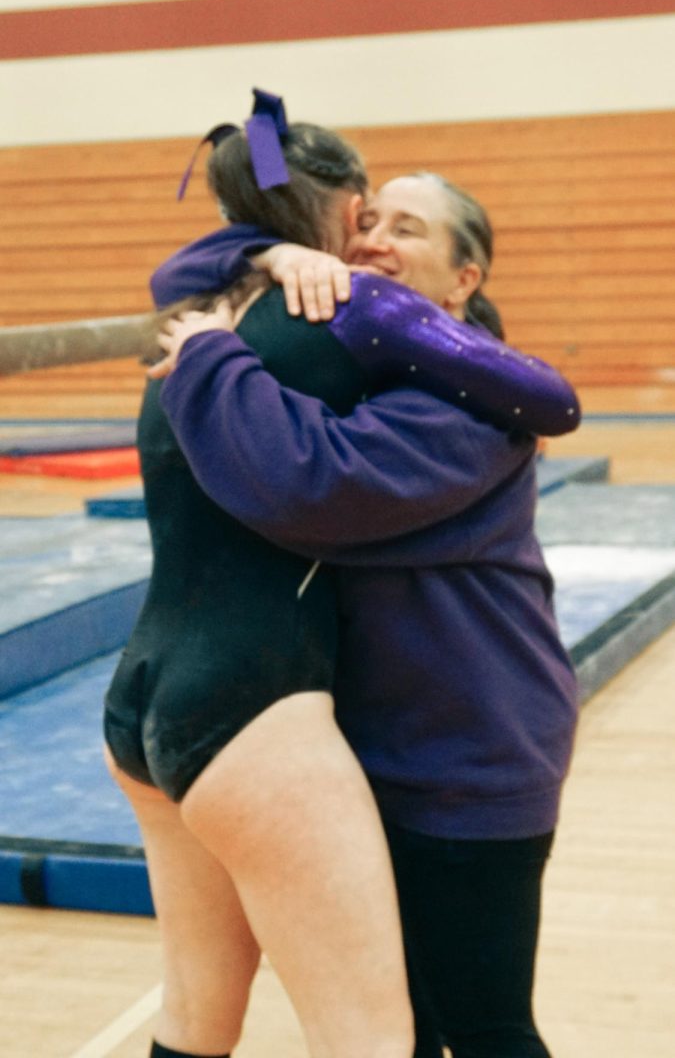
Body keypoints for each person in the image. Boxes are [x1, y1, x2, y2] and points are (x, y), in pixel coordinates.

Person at [104, 91, 576, 1058]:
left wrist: (204, 352)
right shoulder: (312, 333)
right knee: (381, 1030)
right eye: (366, 221)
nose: (373, 244)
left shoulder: (468, 402)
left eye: (405, 228)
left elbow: (307, 483)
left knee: (473, 1024)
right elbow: (194, 262)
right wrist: (266, 253)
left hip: (463, 757)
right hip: (303, 723)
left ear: (464, 277)